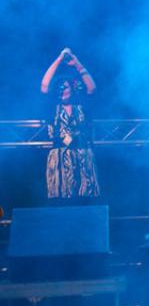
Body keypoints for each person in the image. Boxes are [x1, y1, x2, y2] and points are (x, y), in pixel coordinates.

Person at [41, 48, 100, 201]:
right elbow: (45, 86)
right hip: (59, 158)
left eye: (65, 87)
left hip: (83, 156)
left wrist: (77, 63)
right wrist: (59, 59)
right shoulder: (52, 108)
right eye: (59, 88)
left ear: (73, 88)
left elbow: (92, 88)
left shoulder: (81, 106)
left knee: (85, 199)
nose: (62, 90)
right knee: (61, 198)